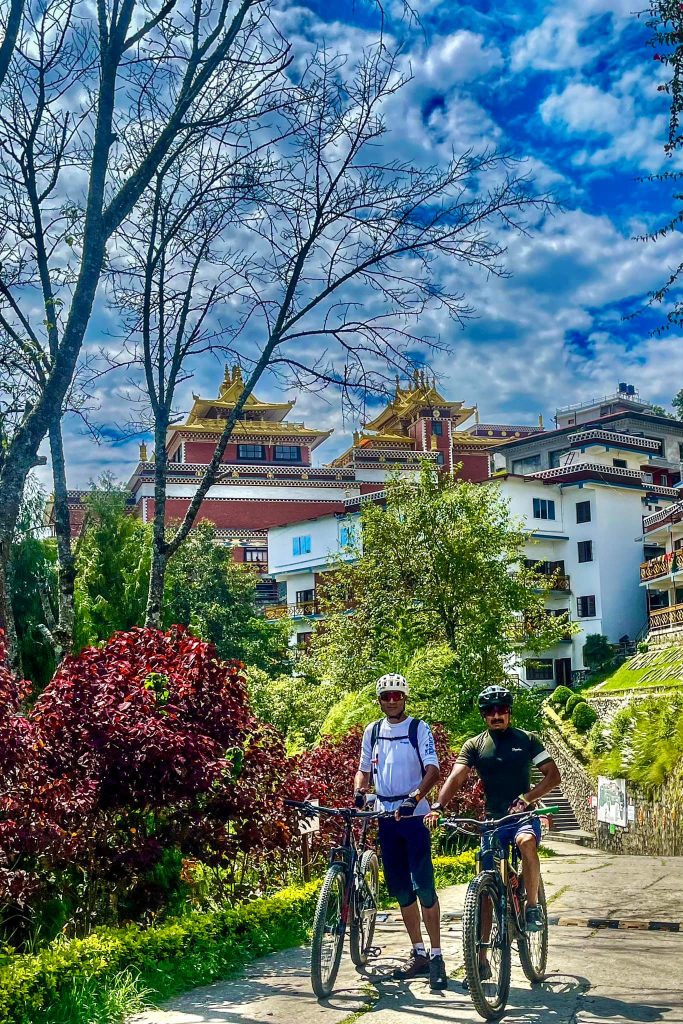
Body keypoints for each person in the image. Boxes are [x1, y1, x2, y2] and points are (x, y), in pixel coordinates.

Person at [430, 684, 560, 954]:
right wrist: (437, 807)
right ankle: (480, 958)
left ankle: (532, 907)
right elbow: (455, 777)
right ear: (483, 715)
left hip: (523, 816)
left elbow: (553, 776)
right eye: (490, 711)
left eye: (501, 710)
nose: (496, 715)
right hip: (492, 821)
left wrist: (527, 798)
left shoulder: (527, 740)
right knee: (485, 889)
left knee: (526, 843)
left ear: (509, 712)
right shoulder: (474, 745)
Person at [354, 673, 448, 990]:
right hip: (385, 816)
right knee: (400, 888)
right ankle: (418, 953)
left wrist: (415, 798)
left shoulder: (418, 728)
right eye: (386, 696)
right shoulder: (373, 731)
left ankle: (437, 955)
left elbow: (433, 769)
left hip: (414, 816)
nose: (392, 701)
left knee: (424, 886)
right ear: (379, 700)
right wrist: (359, 791)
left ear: (405, 698)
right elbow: (363, 769)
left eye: (397, 695)